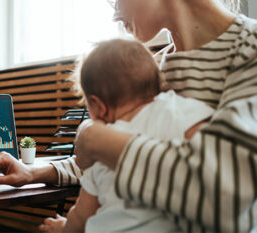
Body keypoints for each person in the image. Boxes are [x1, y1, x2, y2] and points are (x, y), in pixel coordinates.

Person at [0, 0, 257, 231]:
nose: (114, 11)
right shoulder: (156, 69)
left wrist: (95, 138)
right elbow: (125, 156)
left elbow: (224, 194)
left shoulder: (248, 49)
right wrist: (36, 172)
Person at [39, 38, 213, 233]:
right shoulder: (181, 110)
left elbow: (81, 216)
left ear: (98, 106)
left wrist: (63, 228)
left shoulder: (101, 146)